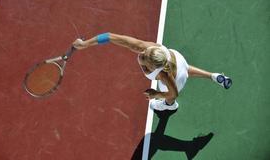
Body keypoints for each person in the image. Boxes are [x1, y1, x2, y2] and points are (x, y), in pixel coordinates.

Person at [72, 32, 232, 111]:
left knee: (171, 96)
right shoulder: (145, 48)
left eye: (145, 58)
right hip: (178, 59)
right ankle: (213, 76)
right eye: (145, 53)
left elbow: (173, 93)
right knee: (186, 67)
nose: (142, 54)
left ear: (155, 67)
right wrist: (85, 44)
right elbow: (110, 36)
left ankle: (169, 107)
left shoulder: (164, 75)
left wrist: (157, 95)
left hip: (177, 77)